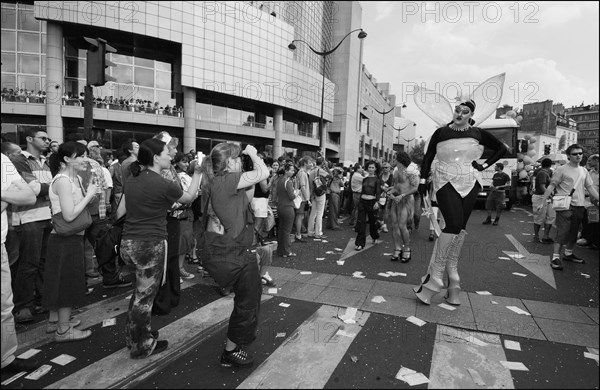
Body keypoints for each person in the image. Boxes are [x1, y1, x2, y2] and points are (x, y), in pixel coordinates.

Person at [414, 99, 507, 306]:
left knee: (458, 228)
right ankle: (438, 278)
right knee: (453, 225)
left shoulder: (478, 133)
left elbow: (502, 148)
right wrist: (422, 179)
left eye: (465, 111)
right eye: (457, 110)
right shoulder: (441, 133)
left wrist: (482, 165)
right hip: (445, 179)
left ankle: (451, 282)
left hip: (471, 181)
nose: (460, 113)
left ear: (470, 115)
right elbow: (428, 156)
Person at [120, 138, 202, 359]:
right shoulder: (161, 183)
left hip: (128, 242)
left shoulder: (132, 178)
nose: (171, 156)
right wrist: (197, 173)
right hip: (149, 244)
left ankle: (134, 335)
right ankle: (142, 345)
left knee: (138, 293)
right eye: (167, 152)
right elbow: (190, 197)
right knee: (145, 297)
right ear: (156, 157)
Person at [199, 142, 269, 368]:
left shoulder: (224, 184)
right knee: (247, 304)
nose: (241, 161)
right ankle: (230, 351)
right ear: (229, 162)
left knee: (246, 302)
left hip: (236, 251)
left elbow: (248, 195)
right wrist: (253, 152)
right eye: (238, 158)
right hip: (237, 254)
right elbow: (263, 173)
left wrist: (246, 163)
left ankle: (235, 344)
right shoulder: (226, 181)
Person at [44, 142, 98, 342]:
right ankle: (63, 330)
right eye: (81, 156)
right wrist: (90, 194)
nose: (86, 159)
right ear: (67, 159)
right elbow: (68, 215)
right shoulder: (64, 180)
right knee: (65, 283)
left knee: (58, 281)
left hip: (67, 238)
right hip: (65, 239)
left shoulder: (70, 179)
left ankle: (55, 321)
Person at [9, 129, 53, 323]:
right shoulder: (20, 160)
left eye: (48, 138)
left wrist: (45, 188)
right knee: (29, 263)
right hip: (27, 217)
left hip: (46, 215)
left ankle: (41, 300)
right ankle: (22, 306)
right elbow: (33, 189)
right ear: (29, 139)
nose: (47, 141)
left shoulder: (46, 160)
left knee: (43, 262)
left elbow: (40, 188)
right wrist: (52, 187)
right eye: (43, 138)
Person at [2, 152, 39, 373]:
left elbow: (28, 196)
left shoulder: (2, 161)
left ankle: (5, 358)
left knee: (5, 307)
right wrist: (8, 195)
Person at [537, 144, 599, 270]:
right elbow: (551, 186)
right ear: (569, 156)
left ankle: (568, 253)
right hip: (565, 205)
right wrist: (542, 202)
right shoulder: (561, 169)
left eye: (580, 153)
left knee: (574, 232)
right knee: (563, 231)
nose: (578, 156)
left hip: (580, 205)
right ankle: (555, 258)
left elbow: (590, 187)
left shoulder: (584, 170)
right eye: (575, 154)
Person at [388, 151, 419, 262]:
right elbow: (396, 187)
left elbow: (415, 188)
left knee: (402, 226)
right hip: (396, 200)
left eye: (395, 158)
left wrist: (403, 195)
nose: (394, 160)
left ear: (400, 159)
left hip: (406, 200)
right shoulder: (396, 171)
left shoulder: (411, 171)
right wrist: (390, 191)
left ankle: (406, 248)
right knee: (394, 225)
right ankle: (397, 248)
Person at [172, 152, 196, 281]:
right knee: (178, 242)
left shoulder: (186, 176)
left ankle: (180, 268)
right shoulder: (174, 177)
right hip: (177, 213)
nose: (186, 164)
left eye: (187, 161)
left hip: (187, 213)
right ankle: (175, 271)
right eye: (183, 161)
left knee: (185, 241)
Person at [354, 160, 381, 251]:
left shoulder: (377, 180)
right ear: (367, 168)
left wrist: (377, 202)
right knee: (361, 222)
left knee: (372, 222)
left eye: (373, 167)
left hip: (372, 202)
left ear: (376, 169)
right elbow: (362, 191)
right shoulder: (364, 179)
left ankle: (374, 236)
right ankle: (360, 243)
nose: (371, 169)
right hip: (362, 201)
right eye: (369, 167)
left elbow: (378, 192)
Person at [277, 162, 299, 258]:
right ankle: (286, 251)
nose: (293, 172)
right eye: (291, 170)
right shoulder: (288, 182)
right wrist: (297, 193)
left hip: (280, 207)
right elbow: (291, 196)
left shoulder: (279, 180)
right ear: (286, 171)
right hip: (288, 208)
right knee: (287, 231)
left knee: (281, 229)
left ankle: (280, 250)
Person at [531, 158, 555, 243]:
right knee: (539, 217)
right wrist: (550, 195)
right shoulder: (542, 173)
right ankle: (536, 236)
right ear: (550, 165)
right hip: (540, 197)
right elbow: (542, 187)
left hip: (547, 197)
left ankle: (546, 236)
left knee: (550, 216)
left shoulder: (548, 173)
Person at [577, 154, 599, 248]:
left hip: (597, 201)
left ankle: (595, 242)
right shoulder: (591, 172)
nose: (588, 162)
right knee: (592, 222)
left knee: (596, 223)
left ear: (596, 160)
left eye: (590, 160)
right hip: (591, 202)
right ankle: (591, 240)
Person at [307, 157, 330, 239]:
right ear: (323, 163)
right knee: (320, 213)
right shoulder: (320, 170)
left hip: (313, 193)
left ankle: (310, 232)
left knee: (313, 213)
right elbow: (330, 176)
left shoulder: (311, 171)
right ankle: (318, 233)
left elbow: (309, 183)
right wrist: (327, 167)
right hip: (320, 193)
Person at [293, 157, 313, 242]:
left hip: (301, 198)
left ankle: (298, 234)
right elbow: (302, 187)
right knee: (299, 216)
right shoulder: (302, 173)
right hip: (301, 199)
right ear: (305, 163)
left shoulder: (302, 173)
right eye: (310, 162)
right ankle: (298, 235)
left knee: (300, 216)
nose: (311, 164)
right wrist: (307, 199)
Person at [377, 161, 394, 233]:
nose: (384, 169)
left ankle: (385, 225)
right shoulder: (380, 176)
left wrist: (389, 189)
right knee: (380, 210)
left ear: (390, 168)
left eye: (386, 167)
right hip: (381, 196)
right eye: (383, 167)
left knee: (386, 211)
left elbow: (395, 186)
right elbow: (377, 185)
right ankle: (381, 222)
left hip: (388, 195)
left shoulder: (392, 176)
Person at [327, 166, 345, 231]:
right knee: (334, 210)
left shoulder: (338, 179)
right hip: (334, 194)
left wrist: (340, 177)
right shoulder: (332, 177)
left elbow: (342, 185)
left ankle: (330, 224)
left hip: (336, 194)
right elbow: (329, 171)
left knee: (333, 210)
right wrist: (336, 171)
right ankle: (334, 225)